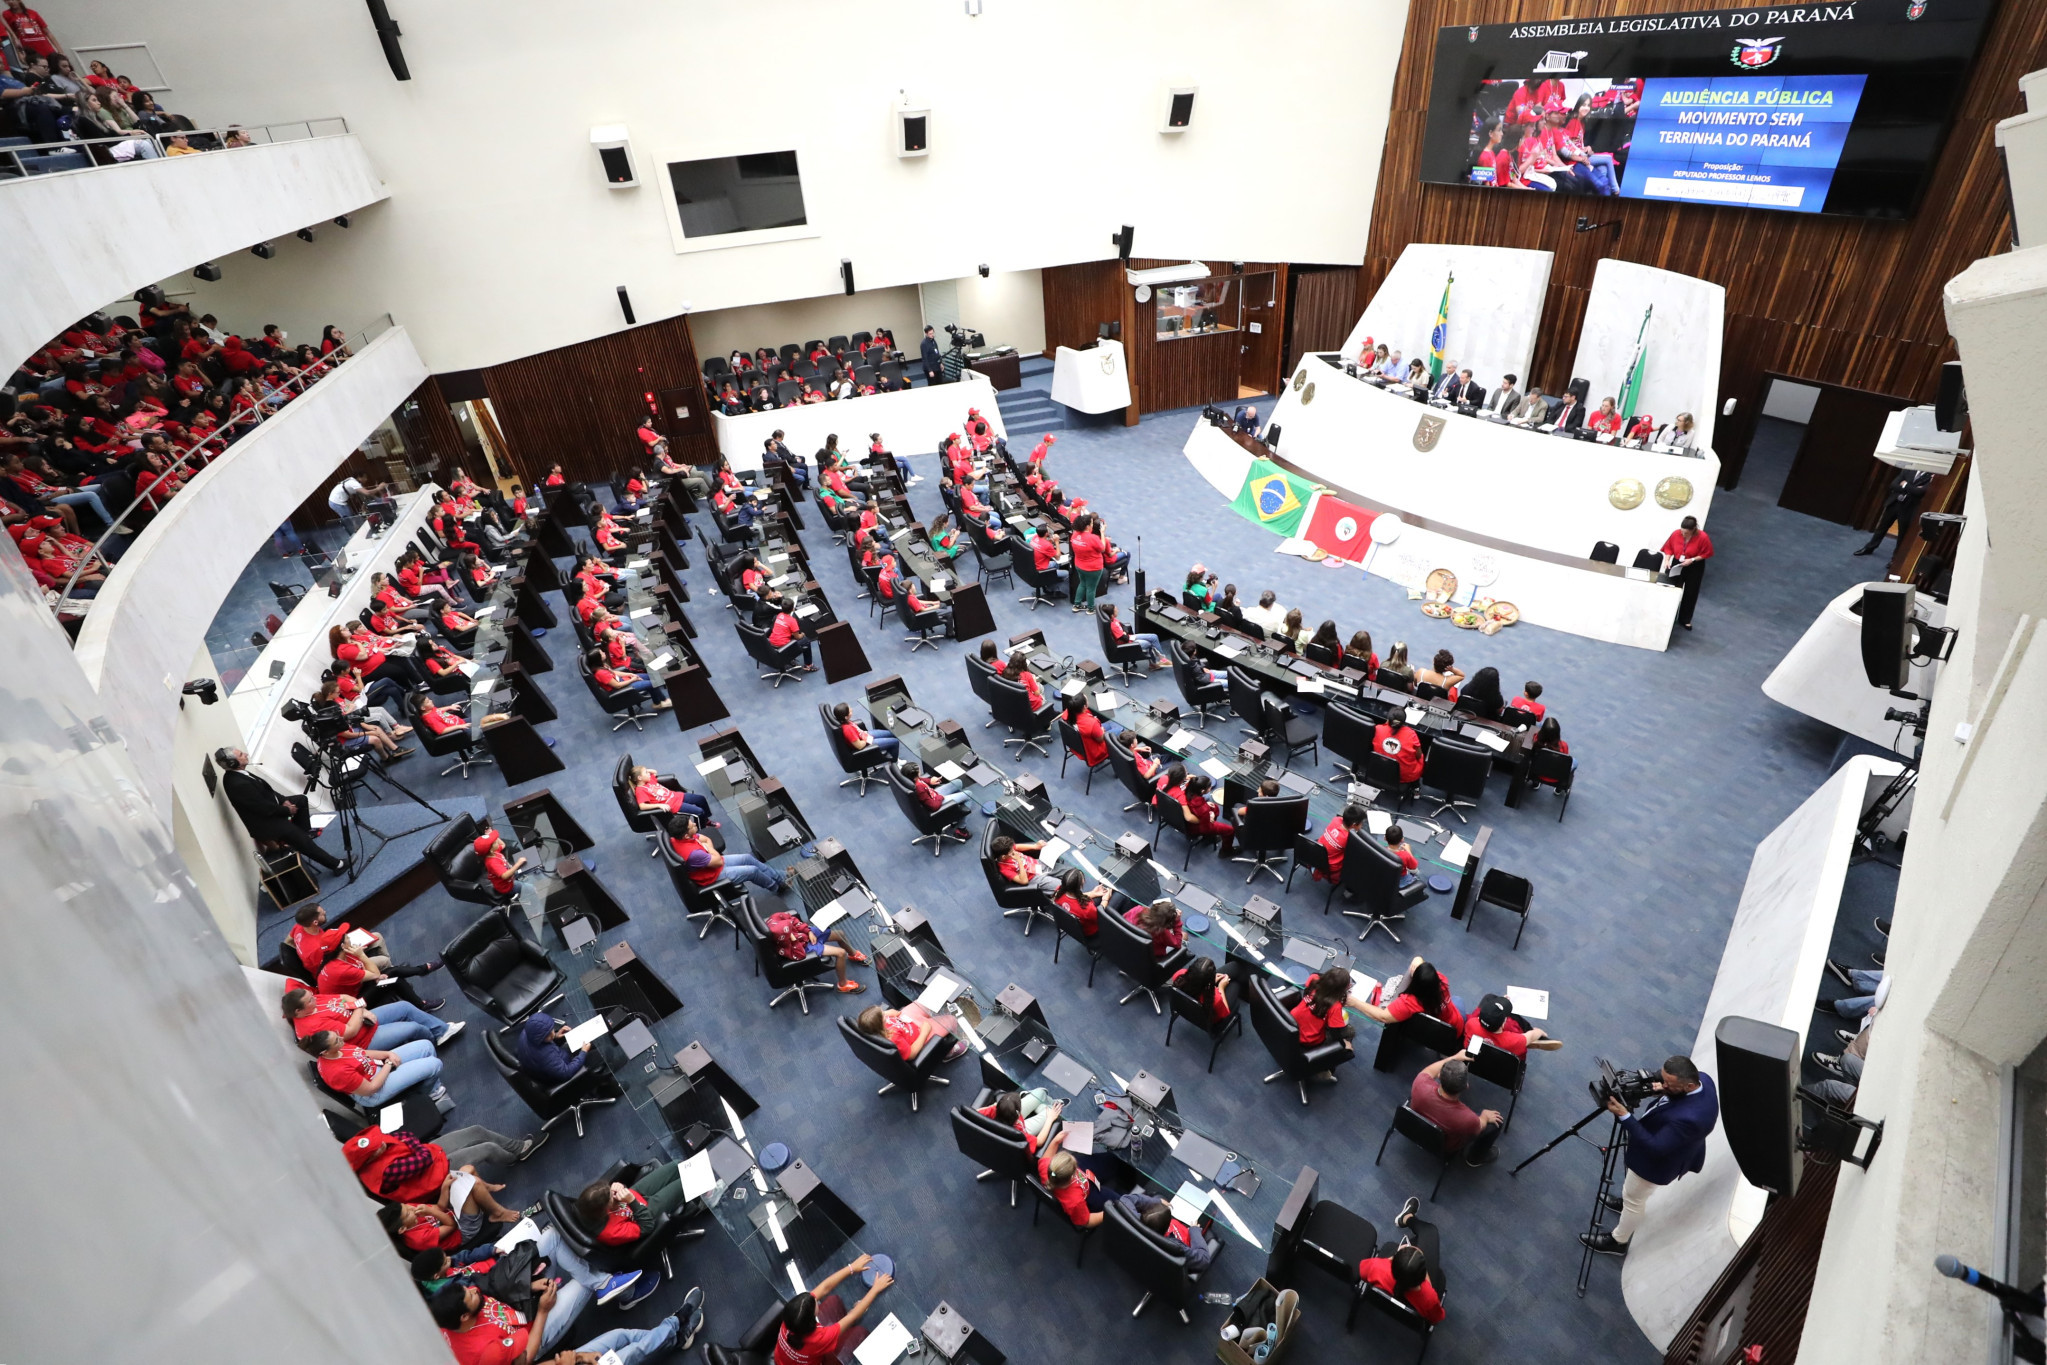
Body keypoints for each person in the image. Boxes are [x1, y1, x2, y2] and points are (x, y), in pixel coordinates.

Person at [1581, 1056, 1719, 1257]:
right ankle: (1625, 1202)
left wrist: (1624, 1116)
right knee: (1633, 1194)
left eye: (1667, 1084)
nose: (1662, 1084)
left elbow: (1656, 1148)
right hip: (1665, 1136)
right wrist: (1663, 1089)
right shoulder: (1703, 1080)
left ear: (1688, 1086)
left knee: (1634, 1200)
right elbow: (1673, 1099)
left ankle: (1618, 1241)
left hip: (1655, 1164)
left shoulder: (1691, 1119)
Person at [430, 1272, 682, 1365]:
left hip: (527, 1319)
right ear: (464, 1316)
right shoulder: (485, 1354)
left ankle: (674, 1330)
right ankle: (677, 1328)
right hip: (533, 1338)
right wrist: (542, 1311)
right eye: (470, 1297)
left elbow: (491, 1294)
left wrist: (528, 1287)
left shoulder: (451, 1320)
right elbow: (527, 1356)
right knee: (621, 1354)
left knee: (622, 1335)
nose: (474, 1291)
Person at [216, 747, 346, 873]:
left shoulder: (240, 773)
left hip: (271, 810)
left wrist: (284, 800)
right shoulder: (238, 784)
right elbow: (264, 808)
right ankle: (337, 865)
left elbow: (267, 791)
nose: (246, 754)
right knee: (300, 839)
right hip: (265, 823)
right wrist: (287, 810)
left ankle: (303, 834)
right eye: (241, 755)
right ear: (233, 763)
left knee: (300, 800)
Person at [774, 1256, 893, 1365]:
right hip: (818, 1360)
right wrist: (875, 1289)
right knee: (860, 1332)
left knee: (833, 1300)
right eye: (814, 1302)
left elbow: (824, 1288)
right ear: (811, 1322)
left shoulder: (792, 1318)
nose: (815, 1298)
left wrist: (851, 1268)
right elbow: (853, 1316)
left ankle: (842, 1329)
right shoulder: (819, 1339)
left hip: (782, 1361)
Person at [281, 984, 461, 1051]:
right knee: (413, 1027)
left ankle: (441, 1031)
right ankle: (433, 1043)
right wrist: (360, 1008)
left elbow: (344, 997)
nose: (314, 998)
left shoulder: (313, 1001)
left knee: (404, 1007)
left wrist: (363, 1010)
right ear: (298, 1011)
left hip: (364, 1019)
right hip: (364, 1040)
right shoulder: (311, 1026)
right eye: (309, 1000)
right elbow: (350, 1032)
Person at [300, 1028, 447, 1108]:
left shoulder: (337, 1048)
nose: (342, 1040)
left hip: (376, 1069)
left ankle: (430, 1086)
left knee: (425, 1046)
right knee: (435, 1064)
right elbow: (371, 1089)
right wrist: (388, 1065)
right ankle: (429, 1094)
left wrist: (387, 1054)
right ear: (325, 1052)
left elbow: (362, 1053)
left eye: (338, 1036)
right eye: (337, 1041)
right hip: (373, 1092)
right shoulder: (336, 1072)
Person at [1358, 1197, 1448, 1324]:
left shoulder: (1378, 1267)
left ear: (1393, 1262)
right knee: (1430, 1233)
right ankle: (1407, 1218)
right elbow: (1436, 1318)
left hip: (1387, 1291)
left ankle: (1406, 1218)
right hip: (1415, 1301)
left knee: (1427, 1236)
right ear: (1423, 1276)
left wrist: (1391, 1258)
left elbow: (1362, 1271)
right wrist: (1427, 1281)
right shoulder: (1429, 1298)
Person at [1408, 1056, 1505, 1166]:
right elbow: (1479, 1128)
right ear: (1466, 1087)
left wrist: (1456, 1056)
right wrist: (1484, 1117)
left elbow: (1429, 1071)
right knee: (1496, 1124)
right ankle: (1474, 1159)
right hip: (1443, 1147)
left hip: (1415, 1130)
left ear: (1439, 1076)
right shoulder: (1468, 1119)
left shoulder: (1420, 1083)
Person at [668, 811, 787, 894]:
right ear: (686, 835)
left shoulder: (676, 838)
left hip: (710, 862)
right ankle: (777, 887)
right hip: (712, 875)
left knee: (747, 858)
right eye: (692, 825)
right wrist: (710, 851)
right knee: (752, 871)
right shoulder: (694, 854)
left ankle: (779, 877)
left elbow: (706, 839)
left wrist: (708, 849)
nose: (694, 824)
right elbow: (718, 862)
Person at [764, 903, 869, 993]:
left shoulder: (776, 918)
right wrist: (793, 939)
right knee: (841, 953)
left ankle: (853, 954)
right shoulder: (783, 948)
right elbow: (799, 955)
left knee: (840, 934)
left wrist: (808, 932)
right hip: (803, 948)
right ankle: (843, 985)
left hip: (804, 934)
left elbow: (793, 920)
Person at [1356, 955, 1464, 1030]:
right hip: (1456, 1020)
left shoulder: (1411, 1002)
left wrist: (1353, 1002)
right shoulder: (1441, 980)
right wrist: (1418, 959)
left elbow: (1382, 1016)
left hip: (1443, 1033)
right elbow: (1418, 960)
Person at [511, 1012, 601, 1089]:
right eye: (548, 1034)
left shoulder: (526, 1033)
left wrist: (555, 1037)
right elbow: (566, 1072)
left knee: (586, 1038)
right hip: (560, 1074)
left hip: (549, 1064)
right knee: (601, 1054)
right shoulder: (546, 1055)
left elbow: (543, 1041)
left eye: (552, 1029)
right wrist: (583, 1053)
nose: (552, 1033)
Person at [1856, 468, 1934, 557]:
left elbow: (1920, 492)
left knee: (1902, 535)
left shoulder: (1931, 475)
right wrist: (1912, 488)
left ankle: (1895, 558)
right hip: (1894, 503)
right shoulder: (1908, 470)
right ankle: (1869, 548)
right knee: (1881, 528)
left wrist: (1905, 484)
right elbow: (1893, 485)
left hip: (1909, 508)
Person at [854, 1002, 967, 1062]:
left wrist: (887, 1014)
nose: (884, 1012)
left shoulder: (875, 1027)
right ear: (880, 1026)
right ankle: (949, 1052)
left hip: (905, 1021)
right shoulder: (893, 1039)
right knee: (951, 1020)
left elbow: (882, 1017)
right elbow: (911, 1054)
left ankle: (932, 1018)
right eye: (883, 1015)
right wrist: (924, 1032)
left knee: (923, 1002)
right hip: (918, 1034)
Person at [1463, 992, 1564, 1056]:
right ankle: (1530, 1032)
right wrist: (1540, 1031)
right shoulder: (1513, 1040)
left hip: (1476, 1058)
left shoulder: (1471, 1023)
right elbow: (1533, 1034)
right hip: (1503, 1066)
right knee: (1515, 1019)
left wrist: (1498, 1005)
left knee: (1489, 997)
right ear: (1503, 1024)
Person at [1661, 514, 1715, 631]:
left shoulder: (1703, 537)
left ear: (1693, 530)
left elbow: (1707, 553)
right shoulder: (1676, 533)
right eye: (1682, 531)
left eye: (1686, 533)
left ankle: (1685, 619)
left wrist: (1692, 559)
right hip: (1677, 563)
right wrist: (1667, 560)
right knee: (1670, 587)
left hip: (1694, 565)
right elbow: (1669, 547)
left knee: (1691, 592)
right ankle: (1666, 614)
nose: (1683, 534)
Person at [833, 699, 899, 757]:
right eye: (850, 711)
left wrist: (864, 734)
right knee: (895, 742)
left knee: (891, 733)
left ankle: (890, 750)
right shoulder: (848, 730)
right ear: (846, 717)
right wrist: (866, 739)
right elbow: (859, 746)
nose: (851, 709)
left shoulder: (845, 721)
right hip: (865, 743)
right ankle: (895, 763)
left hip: (864, 735)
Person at [1372, 713, 1424, 785]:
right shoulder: (1411, 734)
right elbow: (1418, 756)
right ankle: (1416, 786)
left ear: (1388, 719)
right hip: (1404, 776)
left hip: (1381, 768)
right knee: (1421, 757)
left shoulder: (1378, 728)